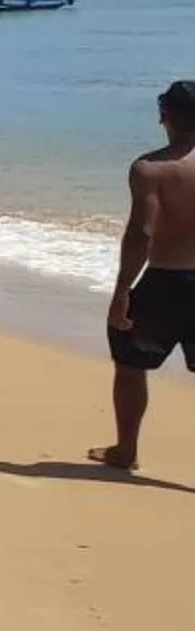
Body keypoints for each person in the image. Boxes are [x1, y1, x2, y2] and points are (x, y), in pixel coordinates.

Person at [101, 78, 195, 471]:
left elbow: (142, 233)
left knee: (130, 363)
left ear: (164, 116)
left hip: (166, 282)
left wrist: (122, 290)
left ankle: (126, 451)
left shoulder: (150, 169)